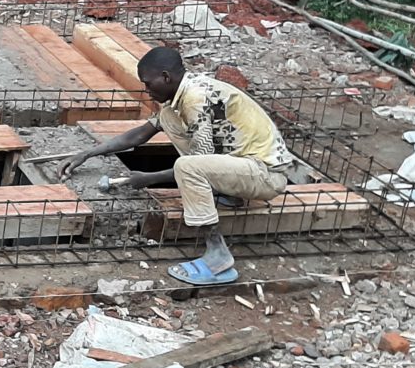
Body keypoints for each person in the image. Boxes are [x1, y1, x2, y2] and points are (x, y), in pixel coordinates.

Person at [59, 46, 295, 286]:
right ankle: (228, 193)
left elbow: (196, 164)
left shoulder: (194, 99)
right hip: (245, 165)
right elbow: (139, 136)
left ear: (165, 77)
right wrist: (87, 153)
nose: (146, 90)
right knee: (169, 119)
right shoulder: (179, 96)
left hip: (265, 174)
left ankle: (217, 255)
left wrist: (149, 178)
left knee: (187, 167)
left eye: (148, 84)